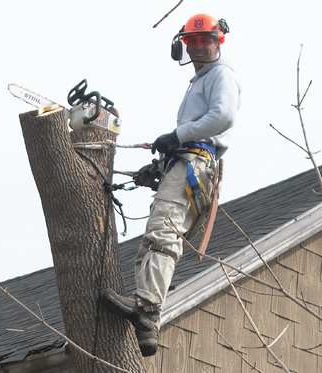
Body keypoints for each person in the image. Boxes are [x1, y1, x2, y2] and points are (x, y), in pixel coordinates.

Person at [101, 13, 241, 357]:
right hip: (186, 161)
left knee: (164, 232)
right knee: (155, 236)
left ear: (218, 41)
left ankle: (148, 309)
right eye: (192, 41)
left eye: (204, 40)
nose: (198, 47)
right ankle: (144, 320)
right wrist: (159, 166)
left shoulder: (221, 75)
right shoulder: (198, 82)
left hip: (195, 163)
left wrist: (176, 136)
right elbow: (195, 133)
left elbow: (223, 117)